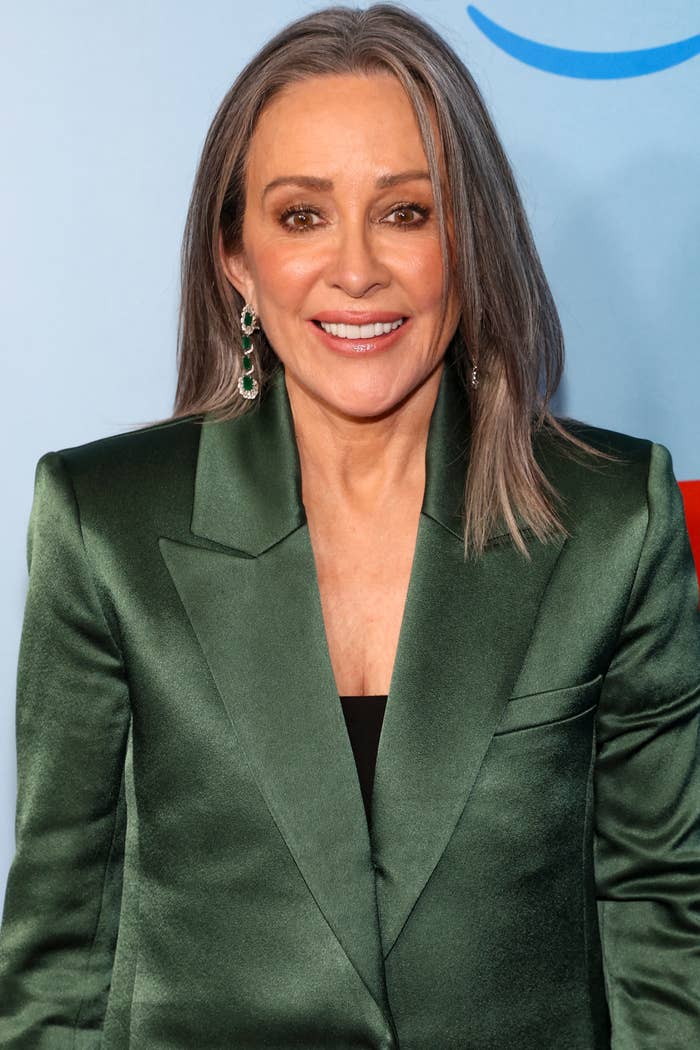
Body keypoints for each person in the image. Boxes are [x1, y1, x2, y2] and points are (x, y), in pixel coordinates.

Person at [1, 3, 698, 1047]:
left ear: (468, 240)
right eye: (301, 216)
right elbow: (60, 953)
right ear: (236, 257)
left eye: (406, 212)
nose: (357, 268)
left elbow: (662, 913)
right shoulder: (105, 523)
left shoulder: (612, 517)